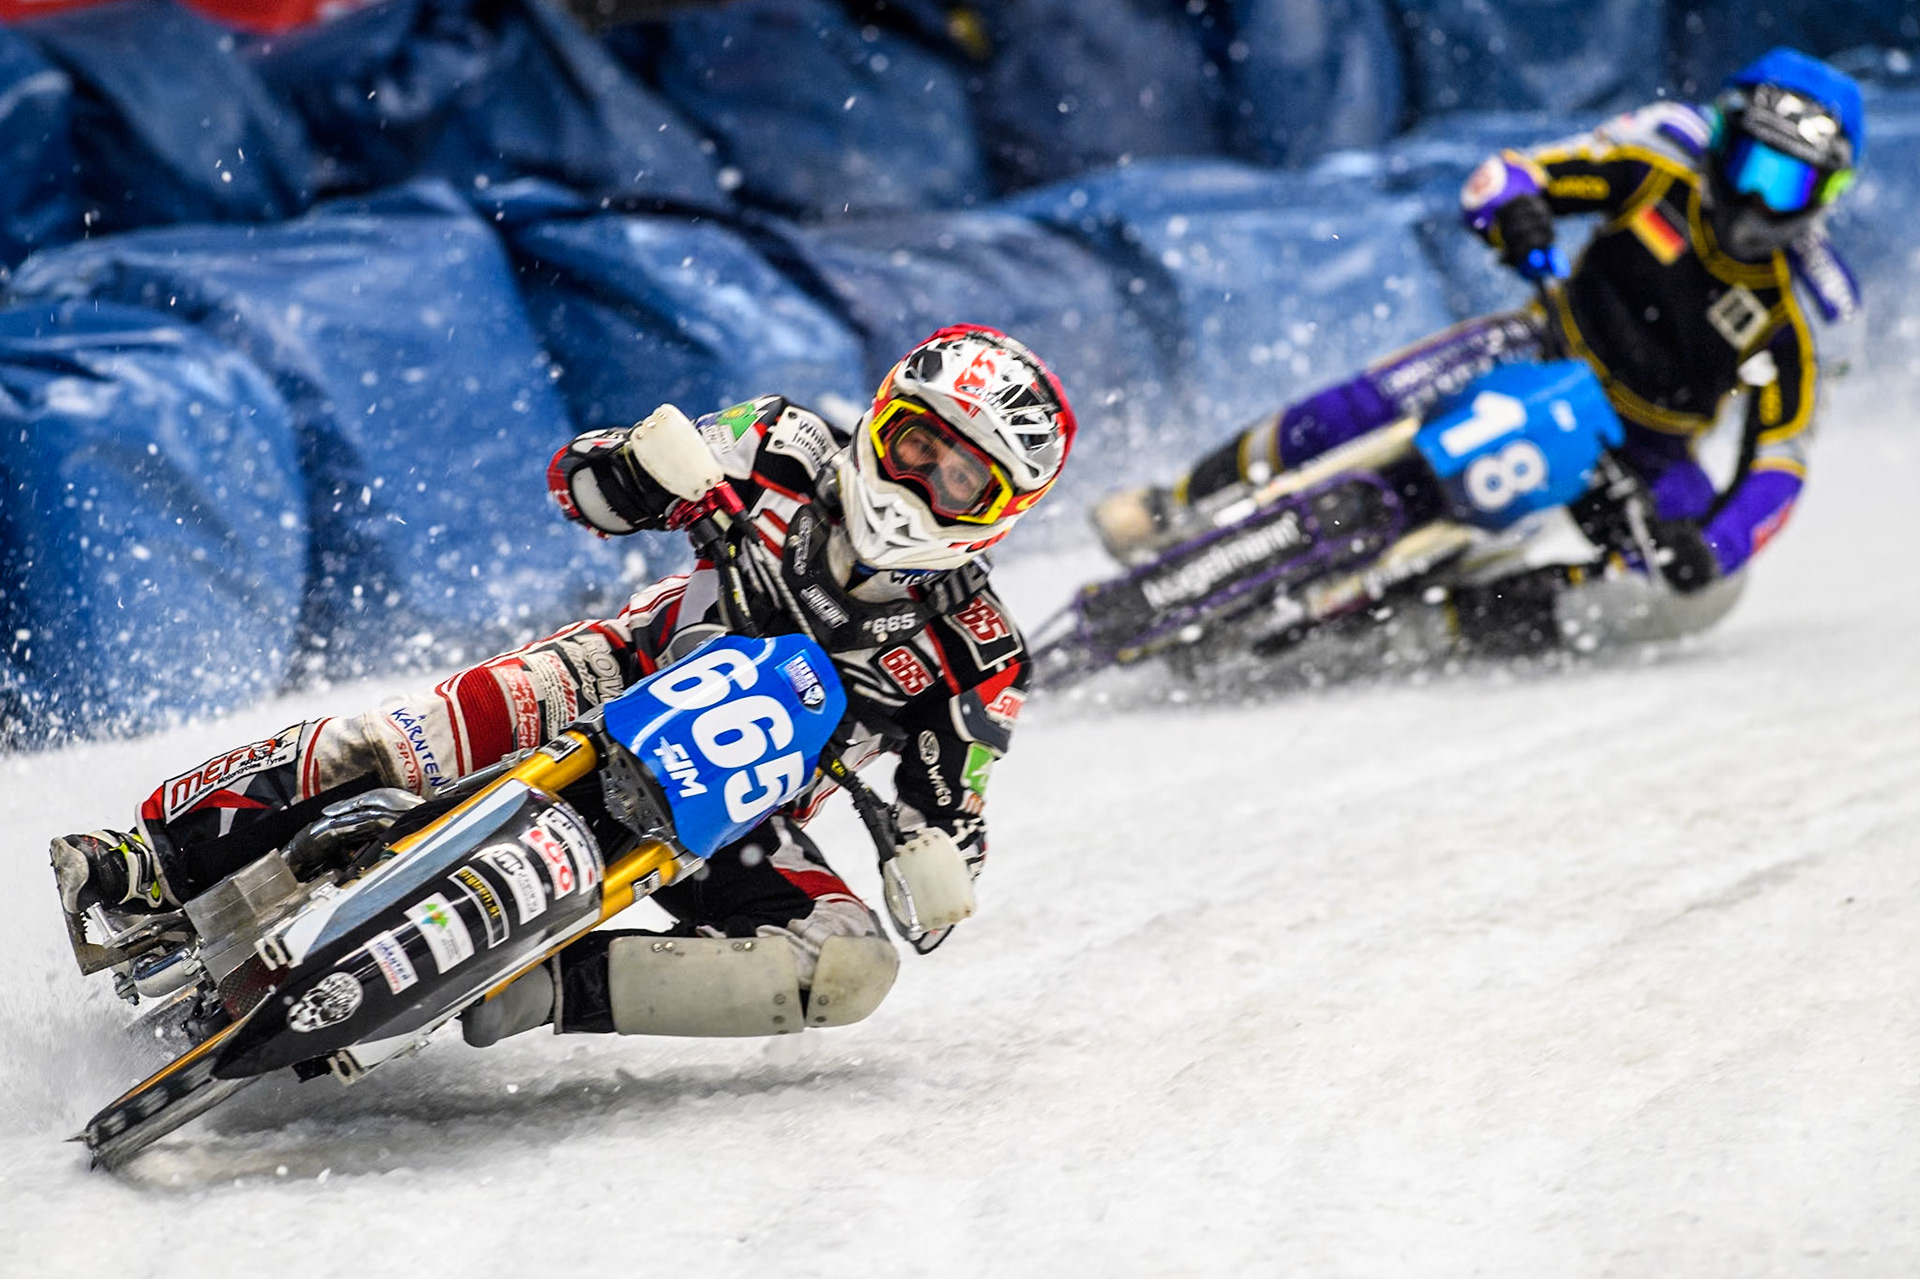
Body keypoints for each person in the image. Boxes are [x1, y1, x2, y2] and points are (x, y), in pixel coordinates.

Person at [50, 323, 1076, 1045]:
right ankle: (145, 858)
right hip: (615, 671)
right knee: (395, 739)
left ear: (999, 509)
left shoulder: (979, 650)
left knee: (852, 963)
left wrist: (932, 859)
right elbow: (577, 480)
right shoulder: (784, 442)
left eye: (959, 475)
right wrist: (637, 468)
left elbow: (952, 843)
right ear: (884, 415)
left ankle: (540, 988)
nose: (921, 480)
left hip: (726, 814)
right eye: (917, 441)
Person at [1095, 47, 1863, 657]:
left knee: (1702, 595)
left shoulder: (1804, 313)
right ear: (1723, 142)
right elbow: (1508, 175)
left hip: (1646, 454)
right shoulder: (1659, 158)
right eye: (1754, 169)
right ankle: (1180, 502)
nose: (1762, 202)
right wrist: (1519, 215)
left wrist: (1712, 547)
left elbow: (1781, 463)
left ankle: (1449, 627)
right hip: (1540, 343)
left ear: (1823, 201)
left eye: (1791, 187)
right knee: (1370, 397)